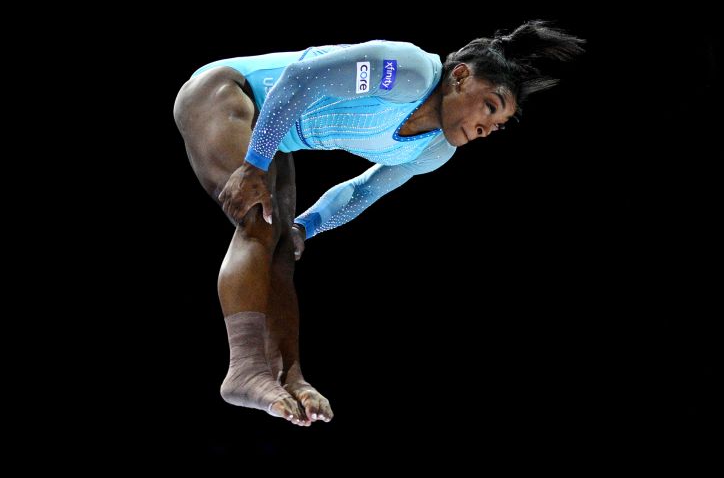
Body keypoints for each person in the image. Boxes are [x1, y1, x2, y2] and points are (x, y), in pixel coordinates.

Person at [173, 21, 585, 425]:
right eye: (489, 107)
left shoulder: (435, 150)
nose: (485, 129)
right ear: (460, 76)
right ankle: (244, 369)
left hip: (274, 131)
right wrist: (254, 164)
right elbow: (300, 78)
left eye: (495, 126)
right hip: (226, 91)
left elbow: (363, 191)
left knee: (283, 248)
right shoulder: (406, 71)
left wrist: (306, 226)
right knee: (258, 223)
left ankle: (288, 376)